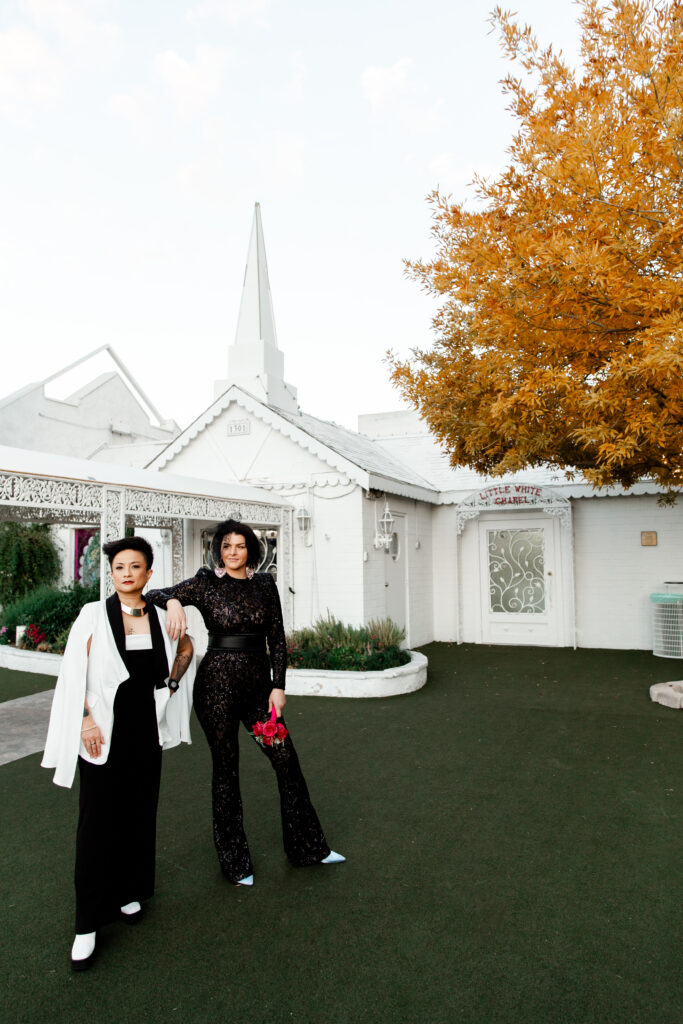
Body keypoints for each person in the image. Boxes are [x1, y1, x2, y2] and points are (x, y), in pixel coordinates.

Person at [146, 518, 344, 886]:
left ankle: (308, 848)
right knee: (226, 771)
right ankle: (236, 863)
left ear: (250, 549)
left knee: (287, 762)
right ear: (219, 549)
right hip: (215, 689)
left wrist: (278, 686)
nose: (233, 552)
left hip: (258, 692)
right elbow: (153, 594)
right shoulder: (205, 583)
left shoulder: (265, 586)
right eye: (226, 546)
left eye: (239, 546)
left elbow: (278, 639)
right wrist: (174, 600)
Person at [42, 537, 195, 971]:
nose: (127, 573)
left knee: (139, 814)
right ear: (111, 574)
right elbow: (73, 673)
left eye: (136, 566)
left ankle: (129, 893)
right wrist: (86, 719)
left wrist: (175, 677)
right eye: (119, 567)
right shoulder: (92, 615)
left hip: (145, 732)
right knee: (96, 824)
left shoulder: (163, 617)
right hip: (102, 734)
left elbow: (186, 650)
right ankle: (87, 924)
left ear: (149, 574)